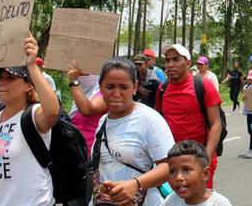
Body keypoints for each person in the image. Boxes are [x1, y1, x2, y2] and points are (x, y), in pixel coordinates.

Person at [0, 34, 60, 206]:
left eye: (10, 78)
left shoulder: (33, 115)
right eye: (1, 78)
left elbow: (53, 112)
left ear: (28, 85)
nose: (2, 83)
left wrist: (31, 65)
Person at [91, 57, 174, 205]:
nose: (116, 94)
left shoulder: (150, 119)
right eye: (110, 87)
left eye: (124, 87)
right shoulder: (103, 121)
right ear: (100, 87)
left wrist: (136, 184)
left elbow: (170, 165)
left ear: (135, 87)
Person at [158, 44, 223, 189]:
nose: (170, 65)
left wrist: (205, 158)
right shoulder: (162, 89)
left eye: (175, 60)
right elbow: (158, 125)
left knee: (200, 201)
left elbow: (216, 124)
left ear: (188, 63)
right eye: (167, 60)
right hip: (173, 160)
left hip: (199, 157)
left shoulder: (203, 85)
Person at [162, 140, 231, 206]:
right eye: (172, 172)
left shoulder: (219, 203)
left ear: (205, 174)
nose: (178, 177)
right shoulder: (171, 201)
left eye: (186, 170)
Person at [66, 60, 107, 151]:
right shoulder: (83, 90)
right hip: (77, 151)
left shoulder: (104, 90)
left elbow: (88, 110)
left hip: (94, 153)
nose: (80, 75)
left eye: (83, 72)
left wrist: (74, 81)